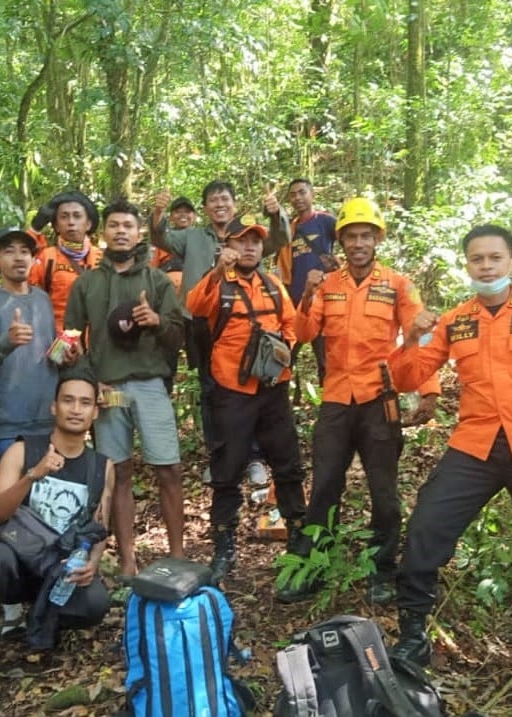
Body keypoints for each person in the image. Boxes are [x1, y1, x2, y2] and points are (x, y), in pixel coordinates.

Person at [387, 225, 512, 707]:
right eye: (477, 259)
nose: (487, 267)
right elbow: (407, 376)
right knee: (426, 529)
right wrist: (410, 337)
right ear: (468, 266)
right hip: (475, 448)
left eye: (495, 258)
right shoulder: (456, 321)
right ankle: (413, 635)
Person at [277, 197, 440, 605]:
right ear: (341, 242)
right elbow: (304, 333)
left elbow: (420, 338)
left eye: (366, 235)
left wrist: (430, 389)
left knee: (383, 492)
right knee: (325, 487)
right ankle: (313, 566)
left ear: (377, 239)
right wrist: (308, 295)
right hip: (336, 399)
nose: (358, 243)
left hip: (378, 400)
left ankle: (381, 569)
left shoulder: (398, 285)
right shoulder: (328, 285)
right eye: (351, 236)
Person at [0, 365, 114, 713]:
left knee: (96, 603)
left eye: (85, 403)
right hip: (17, 565)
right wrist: (33, 475)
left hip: (58, 571)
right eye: (68, 400)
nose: (76, 409)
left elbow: (98, 527)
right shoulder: (22, 451)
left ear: (95, 411)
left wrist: (93, 563)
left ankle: (45, 622)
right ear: (53, 407)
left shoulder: (101, 466)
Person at [64, 198, 185, 577]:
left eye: (127, 226)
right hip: (107, 387)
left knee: (169, 469)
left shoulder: (158, 280)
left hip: (150, 383)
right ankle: (129, 560)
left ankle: (178, 555)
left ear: (138, 233)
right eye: (114, 225)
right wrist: (88, 381)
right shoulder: (87, 283)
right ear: (103, 234)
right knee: (118, 474)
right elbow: (70, 338)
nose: (120, 231)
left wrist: (156, 322)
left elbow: (180, 335)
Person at [186, 215, 308, 583]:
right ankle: (224, 546)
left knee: (288, 465)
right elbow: (194, 306)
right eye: (243, 241)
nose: (250, 247)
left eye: (256, 241)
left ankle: (298, 538)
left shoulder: (273, 285)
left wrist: (285, 348)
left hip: (273, 390)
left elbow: (293, 324)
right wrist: (216, 272)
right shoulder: (219, 284)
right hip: (231, 392)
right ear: (230, 247)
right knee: (227, 470)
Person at [150, 181, 289, 482]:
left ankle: (252, 457)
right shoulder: (193, 236)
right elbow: (160, 237)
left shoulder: (249, 235)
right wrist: (159, 211)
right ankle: (220, 457)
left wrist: (276, 215)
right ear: (205, 208)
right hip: (200, 322)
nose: (219, 204)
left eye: (225, 199)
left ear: (235, 204)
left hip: (245, 323)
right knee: (211, 389)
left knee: (250, 386)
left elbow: (280, 239)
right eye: (212, 200)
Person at [0, 227, 57, 476]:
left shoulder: (42, 299)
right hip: (5, 425)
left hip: (48, 422)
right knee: (4, 504)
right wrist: (6, 341)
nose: (19, 257)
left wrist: (66, 355)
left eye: (25, 251)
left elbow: (48, 353)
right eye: (9, 252)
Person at [276, 178, 338, 386]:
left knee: (325, 360)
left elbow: (348, 240)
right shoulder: (290, 229)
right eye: (293, 194)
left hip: (323, 301)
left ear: (312, 195)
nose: (298, 198)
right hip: (295, 302)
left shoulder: (325, 221)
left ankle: (329, 405)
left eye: (302, 192)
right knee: (286, 357)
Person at [28, 191, 103, 337]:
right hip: (58, 341)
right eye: (64, 216)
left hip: (96, 342)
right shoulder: (47, 257)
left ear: (88, 224)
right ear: (56, 226)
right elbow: (28, 294)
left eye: (77, 216)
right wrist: (34, 228)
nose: (70, 222)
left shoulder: (103, 258)